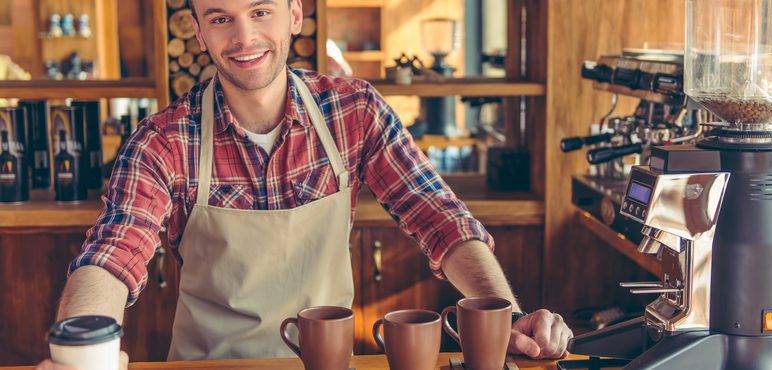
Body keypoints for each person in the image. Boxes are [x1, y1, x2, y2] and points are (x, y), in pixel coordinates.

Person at [37, 0, 572, 368]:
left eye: (261, 11)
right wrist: (78, 349)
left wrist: (512, 316)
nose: (243, 37)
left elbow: (437, 216)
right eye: (220, 18)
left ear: (295, 13)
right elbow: (113, 252)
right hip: (210, 368)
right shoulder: (162, 140)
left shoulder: (355, 111)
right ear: (198, 32)